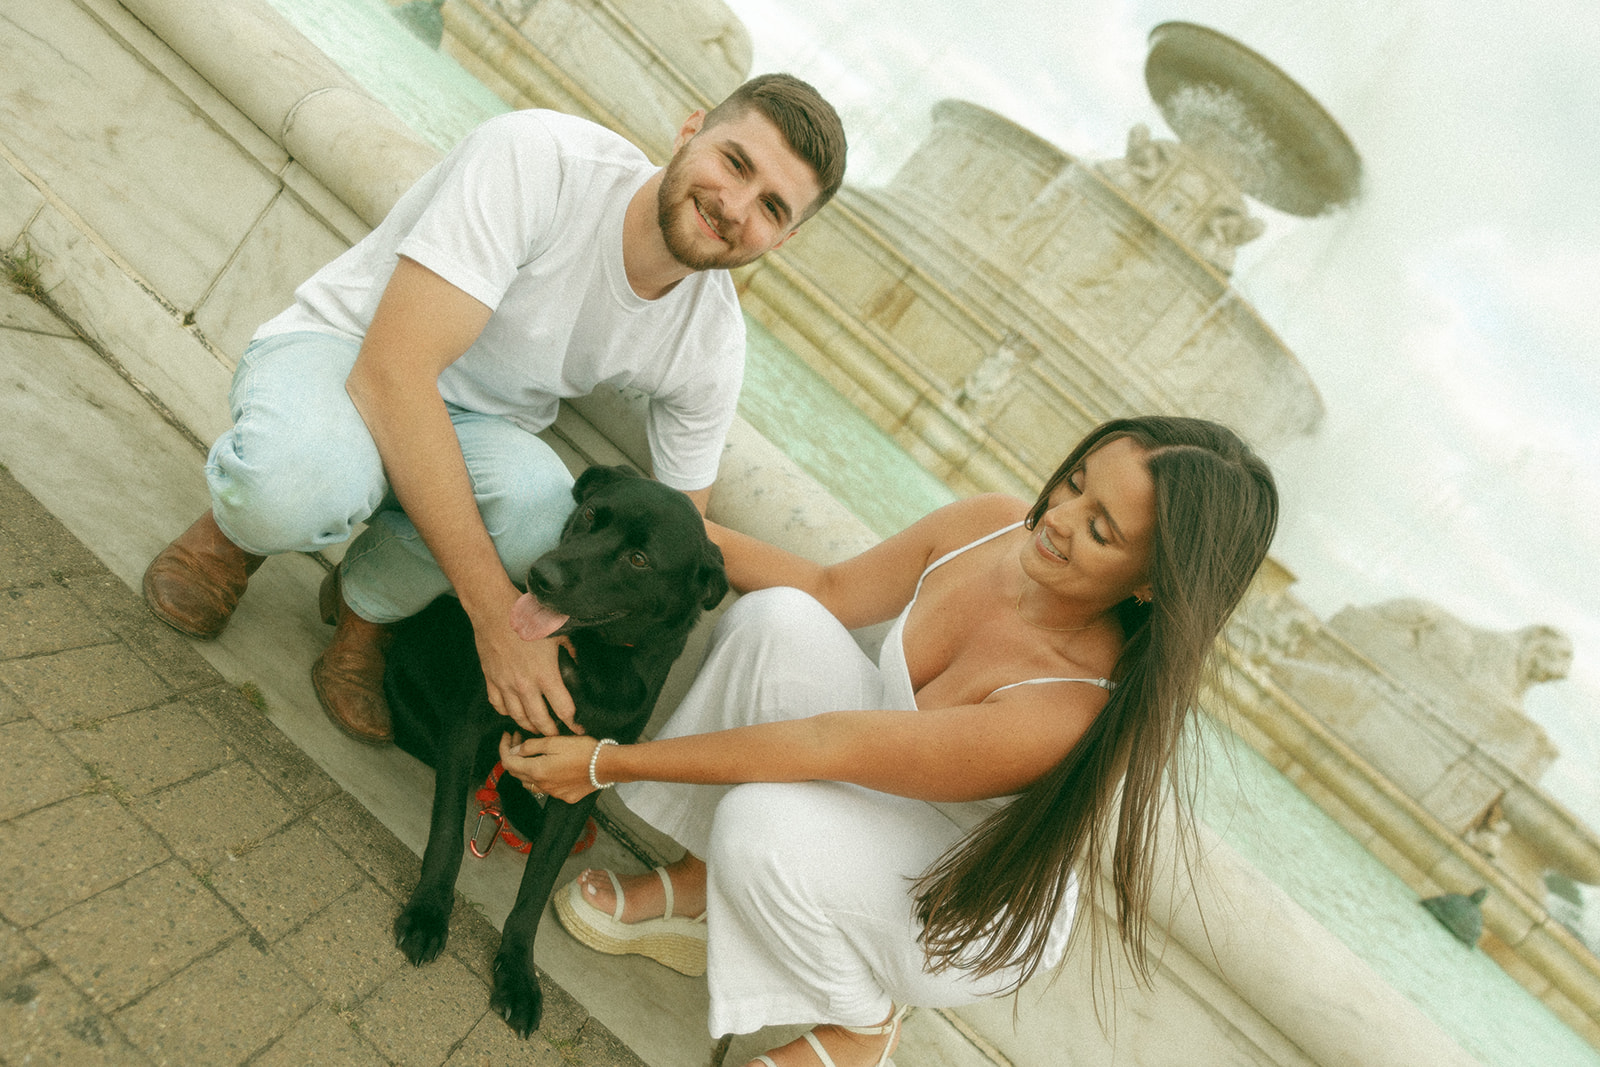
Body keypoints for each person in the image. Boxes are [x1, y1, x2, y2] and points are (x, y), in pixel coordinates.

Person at [500, 415, 1279, 1067]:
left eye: (1102, 529)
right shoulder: (991, 524)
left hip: (958, 902)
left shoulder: (1068, 705)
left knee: (760, 824)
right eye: (1075, 482)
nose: (1061, 518)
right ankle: (704, 885)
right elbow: (828, 591)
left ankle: (862, 1023)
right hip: (875, 778)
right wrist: (657, 527)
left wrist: (604, 762)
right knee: (776, 619)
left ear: (1151, 584)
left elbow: (825, 745)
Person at [140, 75, 846, 744]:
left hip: (482, 427)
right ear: (690, 130)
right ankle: (233, 538)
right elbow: (394, 373)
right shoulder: (542, 158)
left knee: (554, 526)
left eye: (773, 208)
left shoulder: (713, 339)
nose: (736, 206)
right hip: (353, 352)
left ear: (783, 240)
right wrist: (494, 621)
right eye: (734, 162)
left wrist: (604, 743)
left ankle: (365, 609)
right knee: (292, 487)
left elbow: (678, 530)